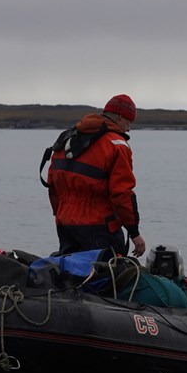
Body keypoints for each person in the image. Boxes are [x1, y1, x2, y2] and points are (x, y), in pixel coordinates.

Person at [42, 94, 146, 257]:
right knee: (108, 277)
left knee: (70, 274)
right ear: (120, 117)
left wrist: (60, 213)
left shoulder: (67, 138)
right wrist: (134, 233)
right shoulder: (116, 144)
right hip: (98, 225)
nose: (129, 128)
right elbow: (122, 194)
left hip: (65, 222)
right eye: (129, 122)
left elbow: (53, 183)